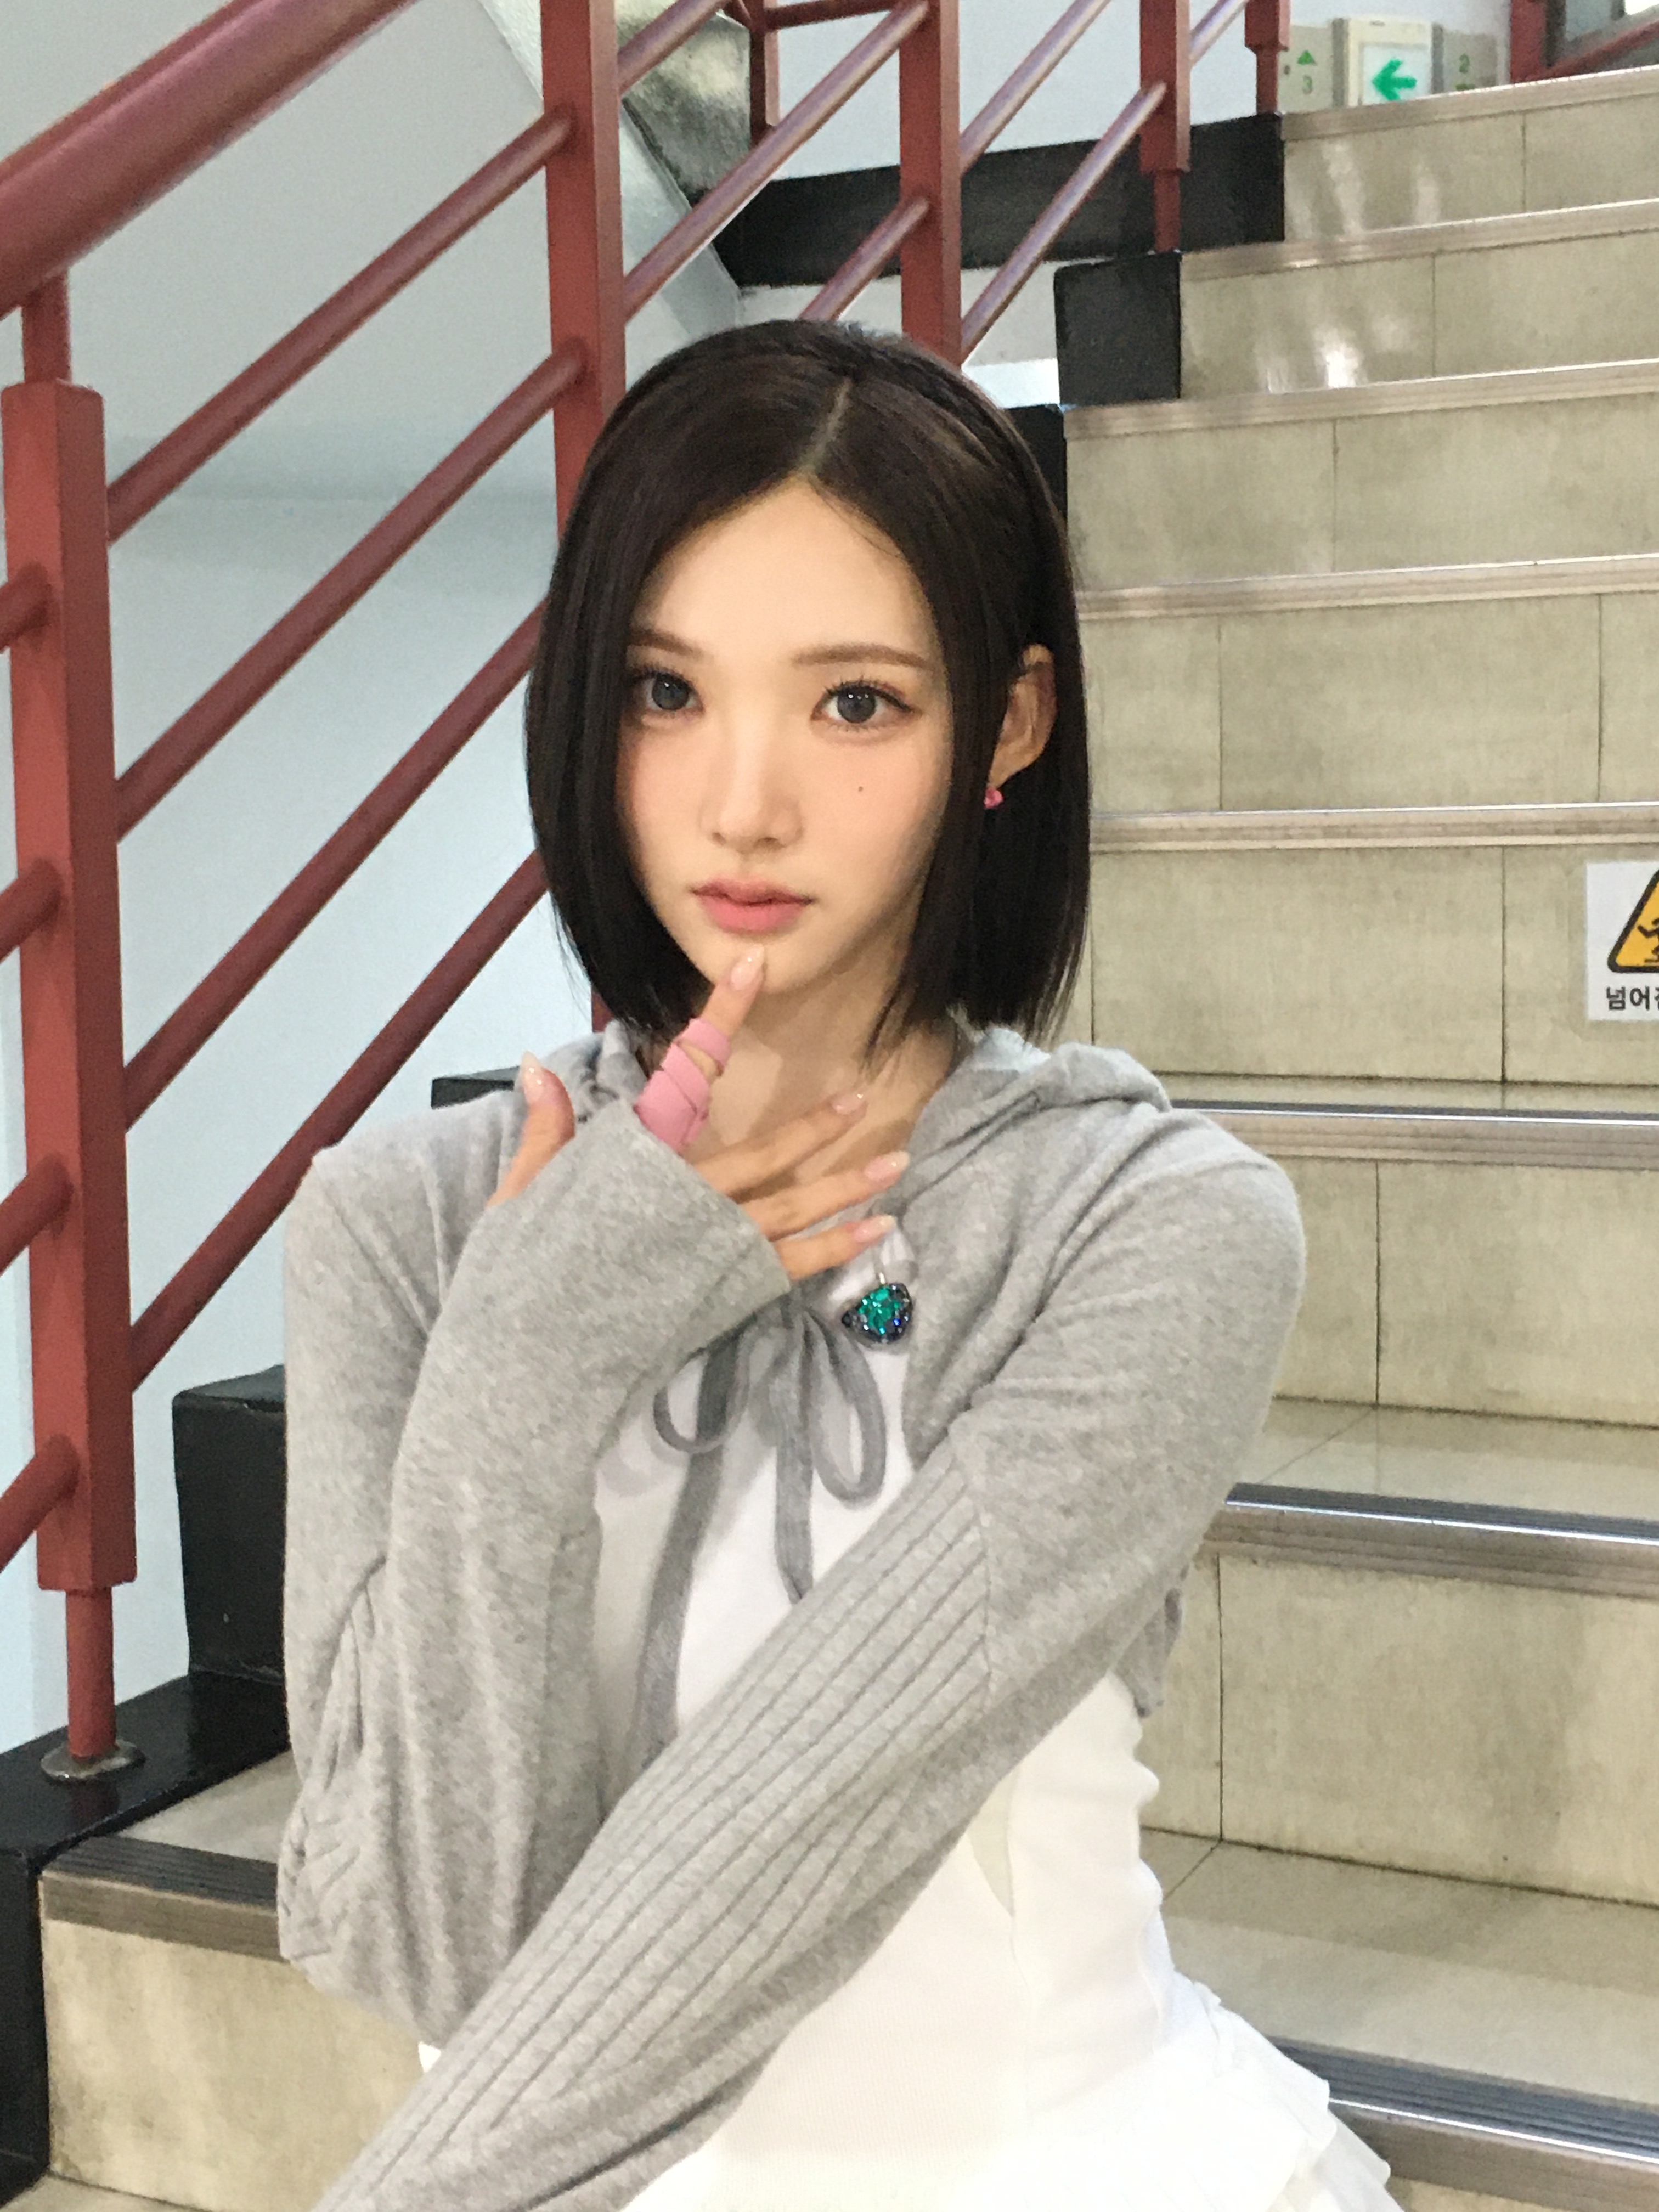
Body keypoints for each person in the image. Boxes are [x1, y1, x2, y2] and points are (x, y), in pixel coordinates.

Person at [277, 320, 1401, 2212]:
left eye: (855, 703)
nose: (744, 804)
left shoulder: (1150, 1229)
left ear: (1008, 726)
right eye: (665, 690)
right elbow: (429, 1952)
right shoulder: (402, 1225)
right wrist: (527, 1357)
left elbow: (792, 1821)